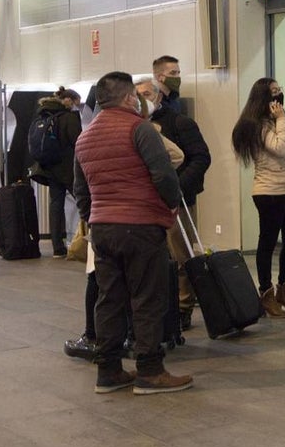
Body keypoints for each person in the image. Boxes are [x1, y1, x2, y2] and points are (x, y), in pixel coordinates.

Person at [72, 71, 191, 394]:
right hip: (140, 226)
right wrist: (171, 207)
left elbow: (80, 190)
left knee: (109, 299)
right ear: (129, 98)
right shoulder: (139, 128)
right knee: (147, 299)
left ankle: (108, 371)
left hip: (103, 230)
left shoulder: (85, 137)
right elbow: (163, 174)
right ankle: (150, 371)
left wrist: (94, 219)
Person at [231, 78, 285, 318]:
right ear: (263, 98)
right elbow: (279, 146)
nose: (278, 96)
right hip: (269, 192)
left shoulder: (282, 120)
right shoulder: (257, 125)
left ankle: (284, 290)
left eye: (280, 90)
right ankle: (266, 293)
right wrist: (280, 120)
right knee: (267, 242)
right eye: (274, 92)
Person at [135, 76, 212, 329]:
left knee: (182, 256)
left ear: (158, 95)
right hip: (147, 203)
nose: (142, 100)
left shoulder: (179, 123)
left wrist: (176, 187)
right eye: (137, 95)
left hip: (178, 203)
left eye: (146, 94)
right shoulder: (136, 125)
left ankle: (183, 307)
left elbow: (200, 158)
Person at [29, 87, 83, 257]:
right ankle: (84, 242)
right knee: (84, 203)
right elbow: (78, 142)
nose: (77, 107)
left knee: (56, 205)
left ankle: (57, 248)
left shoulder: (43, 115)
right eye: (77, 103)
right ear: (69, 101)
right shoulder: (69, 117)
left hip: (49, 167)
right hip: (68, 168)